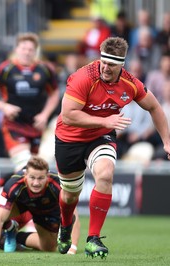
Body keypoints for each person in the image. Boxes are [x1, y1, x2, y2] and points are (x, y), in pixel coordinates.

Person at [55, 37, 170, 259]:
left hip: (100, 137)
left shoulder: (130, 84)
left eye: (112, 65)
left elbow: (154, 107)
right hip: (69, 139)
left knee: (106, 174)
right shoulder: (83, 77)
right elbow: (68, 115)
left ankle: (93, 239)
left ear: (122, 65)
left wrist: (167, 140)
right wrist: (105, 121)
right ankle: (65, 225)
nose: (105, 68)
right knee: (70, 197)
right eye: (103, 62)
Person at [0, 32, 60, 172]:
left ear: (35, 51)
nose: (26, 52)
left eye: (30, 49)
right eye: (23, 48)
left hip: (37, 127)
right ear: (16, 49)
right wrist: (4, 107)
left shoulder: (45, 69)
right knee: (25, 167)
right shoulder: (5, 69)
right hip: (14, 125)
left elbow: (54, 93)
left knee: (33, 170)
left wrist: (45, 114)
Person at [0, 155, 80, 254]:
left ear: (47, 176)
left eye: (41, 178)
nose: (36, 183)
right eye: (32, 177)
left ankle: (16, 237)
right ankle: (10, 226)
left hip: (47, 212)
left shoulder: (58, 184)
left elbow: (73, 215)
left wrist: (72, 248)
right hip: (21, 206)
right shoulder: (13, 183)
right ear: (25, 175)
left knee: (48, 247)